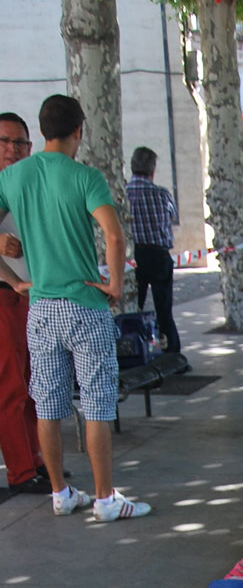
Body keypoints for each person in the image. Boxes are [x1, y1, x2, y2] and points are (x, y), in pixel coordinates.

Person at [0, 93, 150, 520]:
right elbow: (115, 236)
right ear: (78, 131)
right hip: (85, 303)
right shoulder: (86, 178)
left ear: (41, 131)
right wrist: (115, 283)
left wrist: (14, 280)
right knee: (98, 402)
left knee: (47, 403)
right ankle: (105, 498)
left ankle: (60, 493)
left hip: (41, 305)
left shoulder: (14, 177)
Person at [0, 111, 47, 494]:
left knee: (32, 384)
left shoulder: (26, 185)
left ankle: (36, 460)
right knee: (11, 386)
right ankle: (20, 471)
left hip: (26, 297)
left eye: (20, 142)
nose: (12, 149)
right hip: (4, 297)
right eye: (4, 141)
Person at [125, 145, 182, 358]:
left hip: (134, 256)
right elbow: (172, 216)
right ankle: (172, 352)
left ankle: (134, 351)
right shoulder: (162, 194)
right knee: (164, 309)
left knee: (133, 307)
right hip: (159, 254)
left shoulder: (124, 194)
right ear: (152, 170)